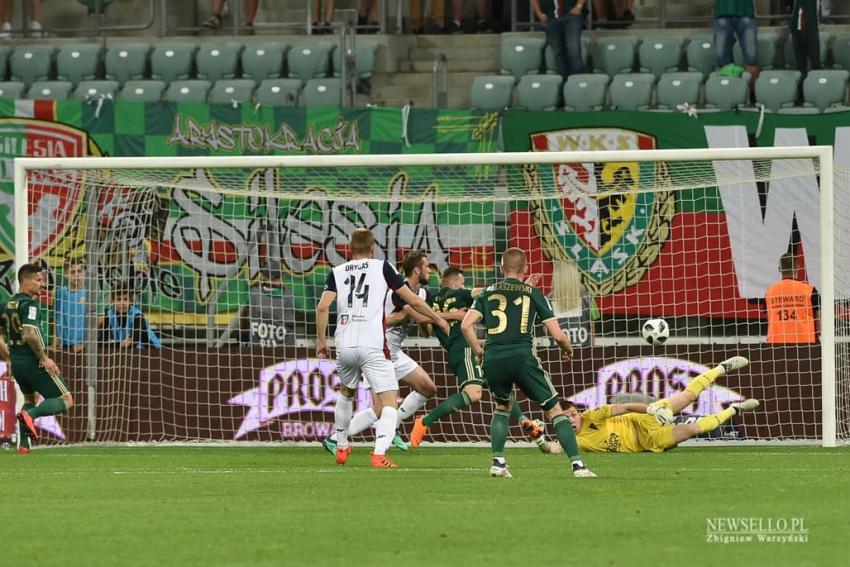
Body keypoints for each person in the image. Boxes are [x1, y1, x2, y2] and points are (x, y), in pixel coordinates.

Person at [315, 228, 449, 469]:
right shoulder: (382, 267)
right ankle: (378, 454)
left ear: (349, 248)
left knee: (346, 393)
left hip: (343, 343)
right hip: (373, 344)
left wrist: (322, 342)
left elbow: (322, 308)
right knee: (389, 404)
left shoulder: (336, 271)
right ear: (373, 247)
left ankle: (342, 444)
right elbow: (414, 300)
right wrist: (438, 319)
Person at [459, 248, 595, 478]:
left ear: (502, 269)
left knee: (502, 408)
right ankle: (578, 466)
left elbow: (465, 325)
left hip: (493, 357)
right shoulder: (533, 293)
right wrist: (568, 349)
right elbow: (559, 335)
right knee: (554, 410)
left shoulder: (487, 293)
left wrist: (479, 351)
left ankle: (498, 463)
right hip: (522, 357)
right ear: (525, 268)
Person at [409, 266, 554, 452]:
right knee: (474, 393)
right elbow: (489, 291)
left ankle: (524, 421)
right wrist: (522, 286)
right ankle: (425, 421)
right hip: (465, 350)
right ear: (454, 283)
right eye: (462, 283)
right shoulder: (463, 294)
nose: (464, 286)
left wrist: (444, 317)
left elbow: (423, 323)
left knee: (500, 390)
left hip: (455, 350)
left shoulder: (431, 301)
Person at [559, 357, 757, 453]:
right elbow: (554, 448)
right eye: (566, 417)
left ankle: (720, 368)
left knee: (687, 396)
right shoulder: (578, 442)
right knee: (692, 429)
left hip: (642, 418)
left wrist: (652, 408)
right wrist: (541, 440)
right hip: (648, 441)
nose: (572, 419)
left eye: (573, 414)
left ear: (579, 413)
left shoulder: (592, 415)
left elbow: (626, 407)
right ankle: (734, 409)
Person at [0, 264, 74, 454]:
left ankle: (24, 445)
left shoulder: (6, 305)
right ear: (25, 281)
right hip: (33, 361)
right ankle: (29, 415)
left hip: (17, 362)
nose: (42, 284)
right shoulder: (30, 305)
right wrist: (44, 358)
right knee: (65, 400)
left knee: (30, 398)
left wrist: (9, 359)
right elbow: (30, 334)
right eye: (38, 280)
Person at [765, 253, 819, 344]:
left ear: (779, 269)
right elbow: (818, 321)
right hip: (805, 344)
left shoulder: (770, 292)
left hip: (776, 344)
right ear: (797, 267)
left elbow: (769, 318)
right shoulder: (810, 290)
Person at [531, 0, 587, 79]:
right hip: (550, 17)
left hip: (572, 15)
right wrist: (539, 14)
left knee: (573, 51)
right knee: (558, 54)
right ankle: (564, 83)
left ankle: (577, 83)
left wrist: (579, 6)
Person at [241, 267, 296, 347]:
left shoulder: (253, 293)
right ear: (282, 277)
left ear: (262, 276)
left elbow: (243, 319)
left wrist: (243, 336)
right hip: (285, 351)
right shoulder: (289, 295)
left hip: (257, 350)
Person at [714, 0, 759, 84]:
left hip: (746, 12)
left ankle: (753, 95)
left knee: (751, 59)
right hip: (723, 12)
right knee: (720, 60)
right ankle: (720, 93)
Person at [53, 258, 88, 354]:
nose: (76, 275)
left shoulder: (90, 293)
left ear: (84, 273)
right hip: (63, 345)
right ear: (65, 274)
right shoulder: (59, 293)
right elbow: (55, 318)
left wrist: (85, 343)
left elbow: (99, 320)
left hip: (84, 345)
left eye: (79, 271)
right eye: (72, 272)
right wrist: (55, 339)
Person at [789, 0, 821, 78]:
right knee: (800, 65)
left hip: (811, 28)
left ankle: (816, 87)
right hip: (797, 29)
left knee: (815, 63)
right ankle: (800, 88)